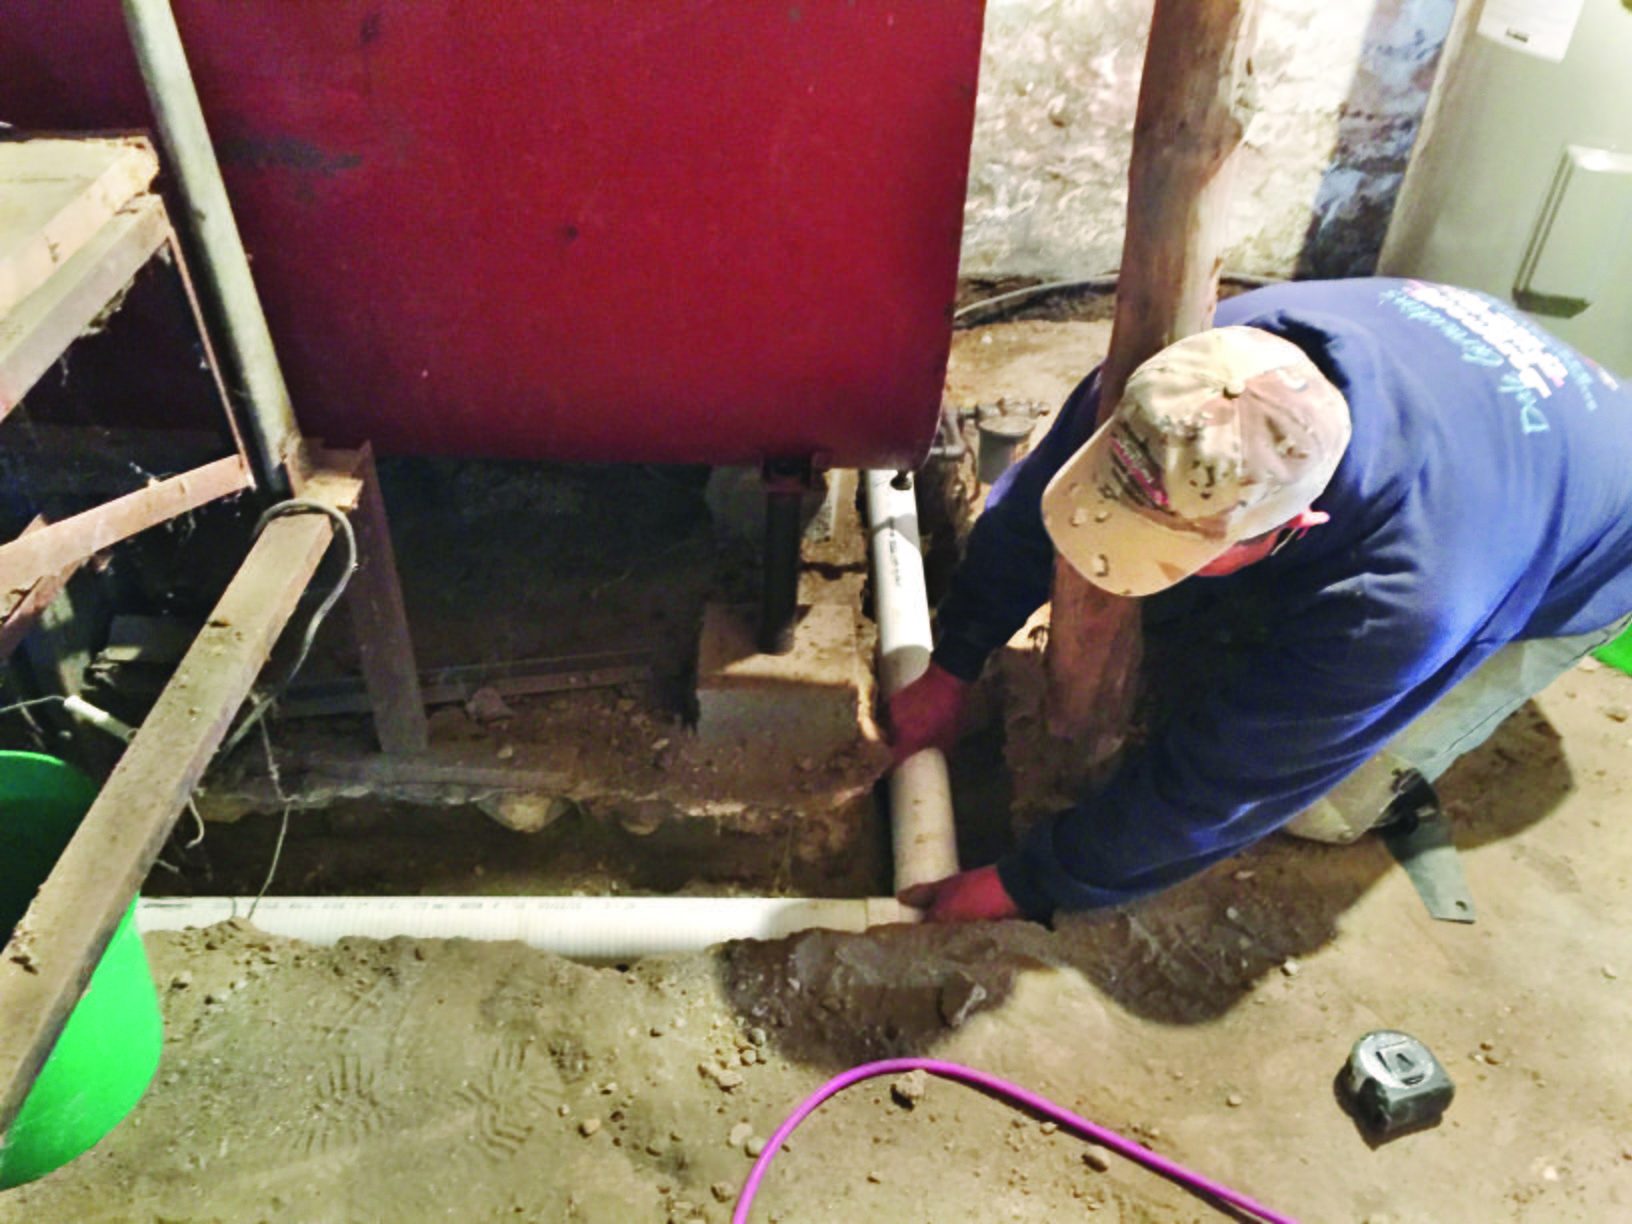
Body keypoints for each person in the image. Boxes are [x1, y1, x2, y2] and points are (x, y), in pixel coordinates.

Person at [891, 277, 1632, 923]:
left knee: (1318, 807)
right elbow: (1033, 513)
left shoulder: (1407, 601)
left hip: (1594, 538)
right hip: (1467, 392)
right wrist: (954, 659)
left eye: (1187, 546)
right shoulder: (1190, 382)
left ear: (1296, 525)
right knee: (1183, 622)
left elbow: (1226, 788)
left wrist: (1031, 881)